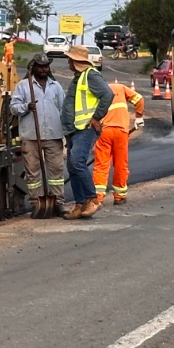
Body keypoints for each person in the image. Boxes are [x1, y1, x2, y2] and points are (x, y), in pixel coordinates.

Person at [9, 53, 66, 218]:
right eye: (40, 66)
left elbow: (63, 109)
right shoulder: (24, 86)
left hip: (53, 135)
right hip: (31, 135)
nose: (44, 69)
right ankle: (37, 204)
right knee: (33, 173)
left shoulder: (56, 86)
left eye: (46, 66)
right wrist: (26, 106)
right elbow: (14, 107)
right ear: (33, 67)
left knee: (56, 171)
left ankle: (58, 203)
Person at [62, 45, 113, 220]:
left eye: (70, 59)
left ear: (76, 61)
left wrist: (96, 117)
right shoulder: (79, 77)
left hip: (85, 128)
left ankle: (93, 199)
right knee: (72, 167)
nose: (68, 61)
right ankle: (80, 204)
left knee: (77, 162)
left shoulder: (91, 75)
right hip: (73, 129)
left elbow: (107, 94)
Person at [93, 77, 146, 205]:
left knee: (101, 164)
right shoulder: (120, 88)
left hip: (104, 132)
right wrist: (139, 117)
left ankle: (97, 198)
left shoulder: (97, 90)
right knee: (121, 164)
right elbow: (139, 99)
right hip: (121, 132)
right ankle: (120, 196)